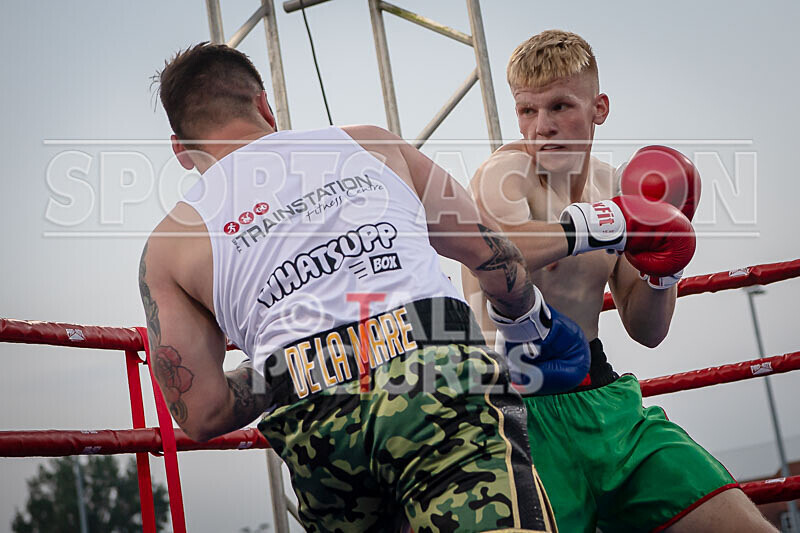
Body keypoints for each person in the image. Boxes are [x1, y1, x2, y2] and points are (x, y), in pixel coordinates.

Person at [139, 42, 616, 532]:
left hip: (315, 418)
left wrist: (296, 363)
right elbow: (489, 253)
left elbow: (202, 411)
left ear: (180, 149)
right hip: (433, 371)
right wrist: (527, 318)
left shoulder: (167, 248)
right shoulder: (369, 143)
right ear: (264, 106)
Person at [463, 30, 776, 532]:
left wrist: (663, 271)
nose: (541, 127)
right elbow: (501, 249)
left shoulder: (618, 188)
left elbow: (647, 330)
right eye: (527, 110)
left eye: (560, 106)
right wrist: (601, 223)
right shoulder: (504, 175)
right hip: (514, 412)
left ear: (598, 108)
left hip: (604, 399)